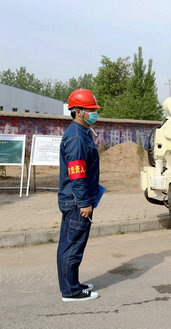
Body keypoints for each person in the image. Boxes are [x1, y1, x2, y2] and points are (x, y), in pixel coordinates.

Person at [57, 89, 101, 301]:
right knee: (72, 247)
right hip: (77, 202)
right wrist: (84, 202)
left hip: (74, 199)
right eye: (90, 110)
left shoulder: (80, 133)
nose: (94, 113)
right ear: (78, 111)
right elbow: (77, 174)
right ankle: (71, 292)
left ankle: (72, 283)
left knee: (71, 244)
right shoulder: (76, 138)